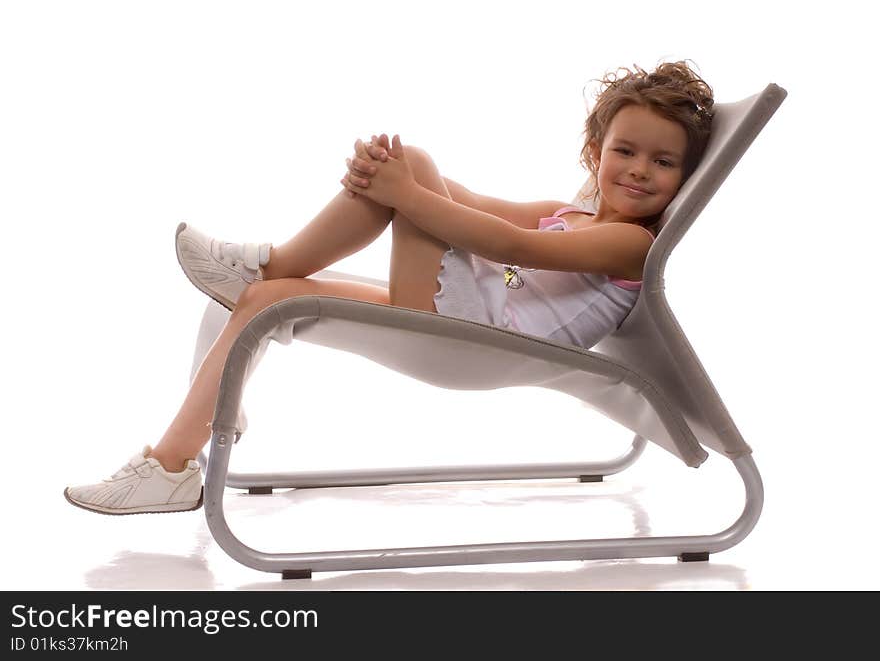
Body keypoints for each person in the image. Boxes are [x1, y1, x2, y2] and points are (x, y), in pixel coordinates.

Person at [64, 60, 714, 516]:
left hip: (481, 345)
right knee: (266, 301)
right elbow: (473, 201)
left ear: (683, 176)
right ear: (595, 150)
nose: (639, 171)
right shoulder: (569, 209)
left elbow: (516, 249)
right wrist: (384, 174)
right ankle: (174, 463)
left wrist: (402, 188)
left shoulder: (633, 243)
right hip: (473, 322)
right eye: (626, 151)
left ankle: (264, 262)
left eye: (663, 162)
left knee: (413, 171)